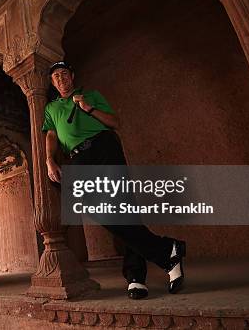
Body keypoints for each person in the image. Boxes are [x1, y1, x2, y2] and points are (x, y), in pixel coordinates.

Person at [42, 61, 186, 299]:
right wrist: (49, 160)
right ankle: (167, 250)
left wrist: (88, 108)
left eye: (64, 74)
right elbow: (51, 134)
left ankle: (136, 277)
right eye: (56, 76)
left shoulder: (91, 95)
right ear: (52, 82)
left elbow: (114, 123)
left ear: (73, 76)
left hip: (104, 148)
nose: (60, 79)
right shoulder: (51, 108)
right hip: (77, 158)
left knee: (124, 207)